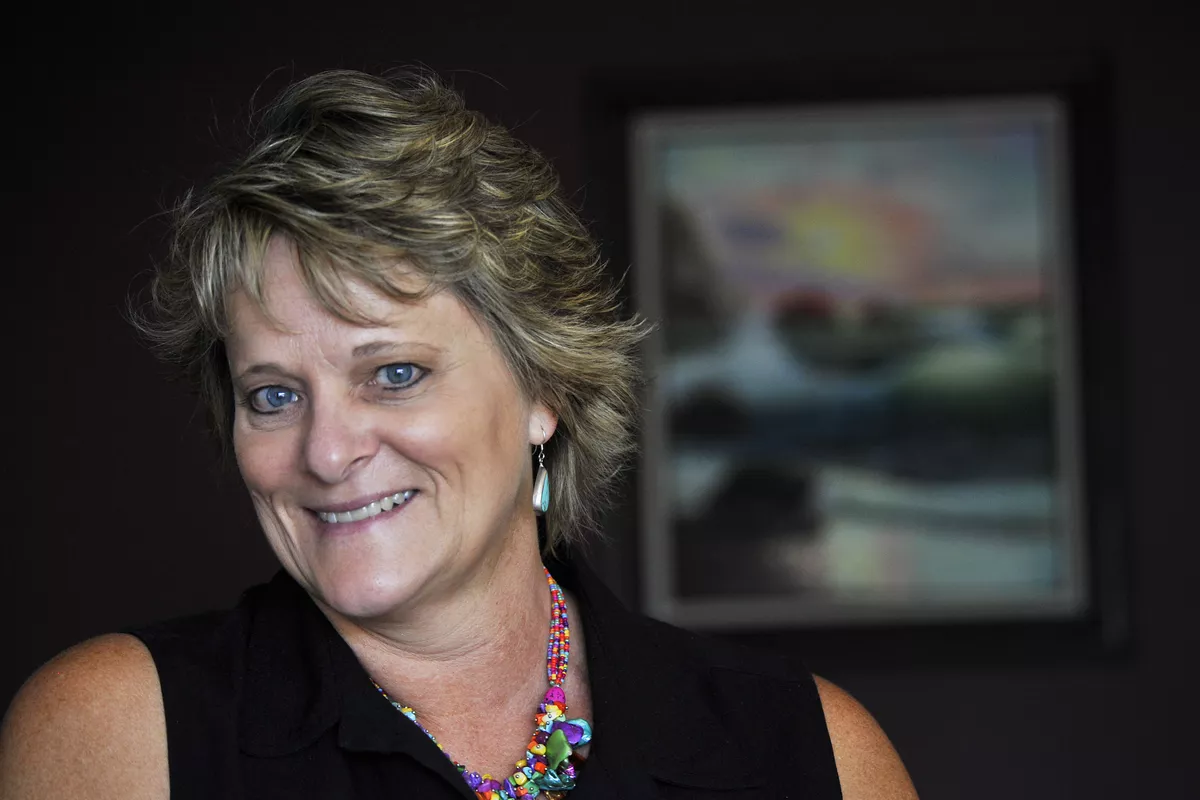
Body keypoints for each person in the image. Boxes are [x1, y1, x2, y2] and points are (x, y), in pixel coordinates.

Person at [0, 69, 917, 799]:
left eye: (394, 374)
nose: (327, 452)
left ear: (543, 388)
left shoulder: (809, 752)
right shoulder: (122, 730)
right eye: (273, 396)